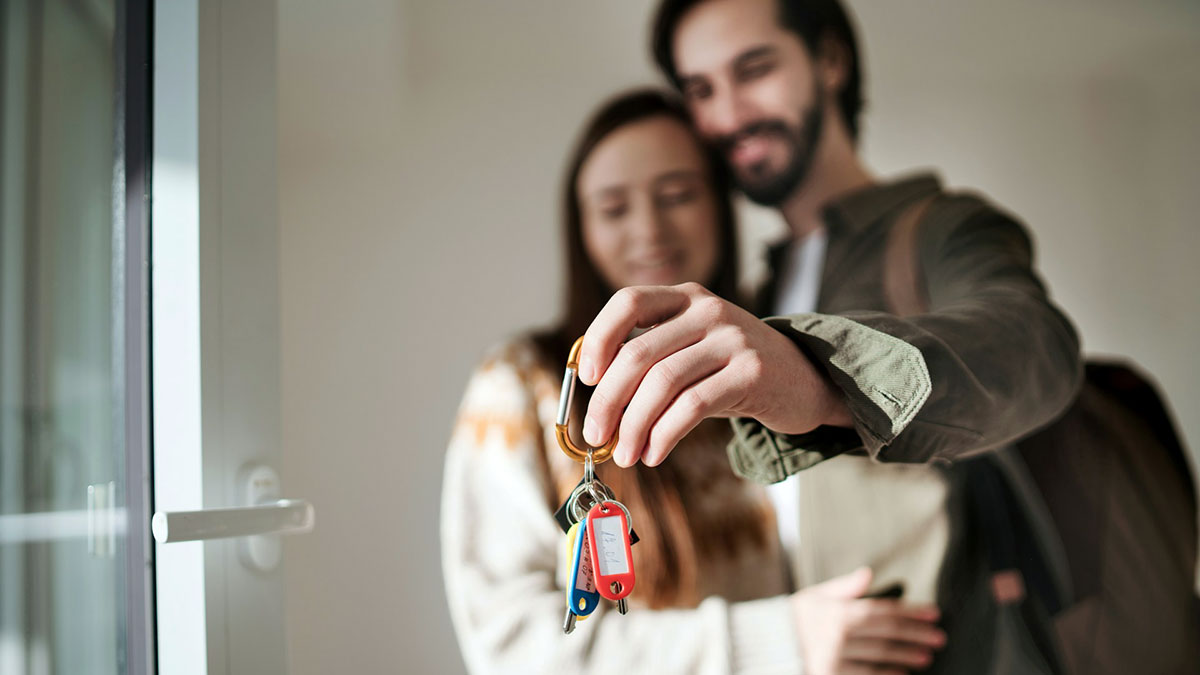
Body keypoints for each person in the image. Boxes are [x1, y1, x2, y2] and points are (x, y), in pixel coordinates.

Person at [573, 0, 1087, 671]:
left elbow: (1036, 347)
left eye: (753, 69)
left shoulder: (943, 229)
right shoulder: (746, 296)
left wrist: (811, 375)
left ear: (831, 61)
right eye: (701, 89)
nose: (727, 116)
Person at [442, 88, 946, 674]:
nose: (649, 230)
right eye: (612, 209)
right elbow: (513, 651)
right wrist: (780, 640)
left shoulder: (766, 364)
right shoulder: (520, 382)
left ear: (719, 205)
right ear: (580, 230)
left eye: (677, 195)